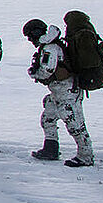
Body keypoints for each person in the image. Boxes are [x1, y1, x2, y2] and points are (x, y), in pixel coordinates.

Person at [24, 18, 95, 167]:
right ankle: (51, 149)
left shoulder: (50, 48)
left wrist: (34, 73)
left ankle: (86, 156)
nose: (30, 40)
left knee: (75, 125)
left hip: (67, 92)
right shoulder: (49, 46)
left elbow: (47, 70)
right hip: (58, 92)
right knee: (47, 119)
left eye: (30, 36)